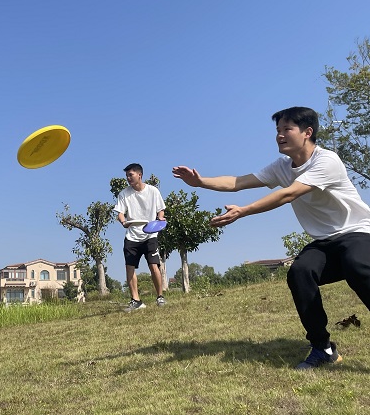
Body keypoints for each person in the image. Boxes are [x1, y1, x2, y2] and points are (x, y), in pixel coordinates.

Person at [173, 106, 370, 369]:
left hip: (356, 232)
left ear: (307, 132)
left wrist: (244, 211)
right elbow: (238, 181)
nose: (279, 136)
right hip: (324, 242)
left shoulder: (326, 161)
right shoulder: (282, 166)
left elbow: (288, 194)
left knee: (356, 265)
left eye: (286, 129)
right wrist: (201, 182)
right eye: (277, 130)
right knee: (299, 271)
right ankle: (323, 348)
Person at [113, 163, 166, 312]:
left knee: (153, 265)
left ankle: (160, 296)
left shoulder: (153, 191)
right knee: (129, 267)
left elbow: (160, 209)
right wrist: (123, 222)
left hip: (150, 234)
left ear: (140, 175)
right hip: (131, 236)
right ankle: (135, 300)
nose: (128, 178)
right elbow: (120, 213)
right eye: (127, 176)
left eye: (131, 175)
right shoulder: (124, 194)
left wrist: (160, 218)